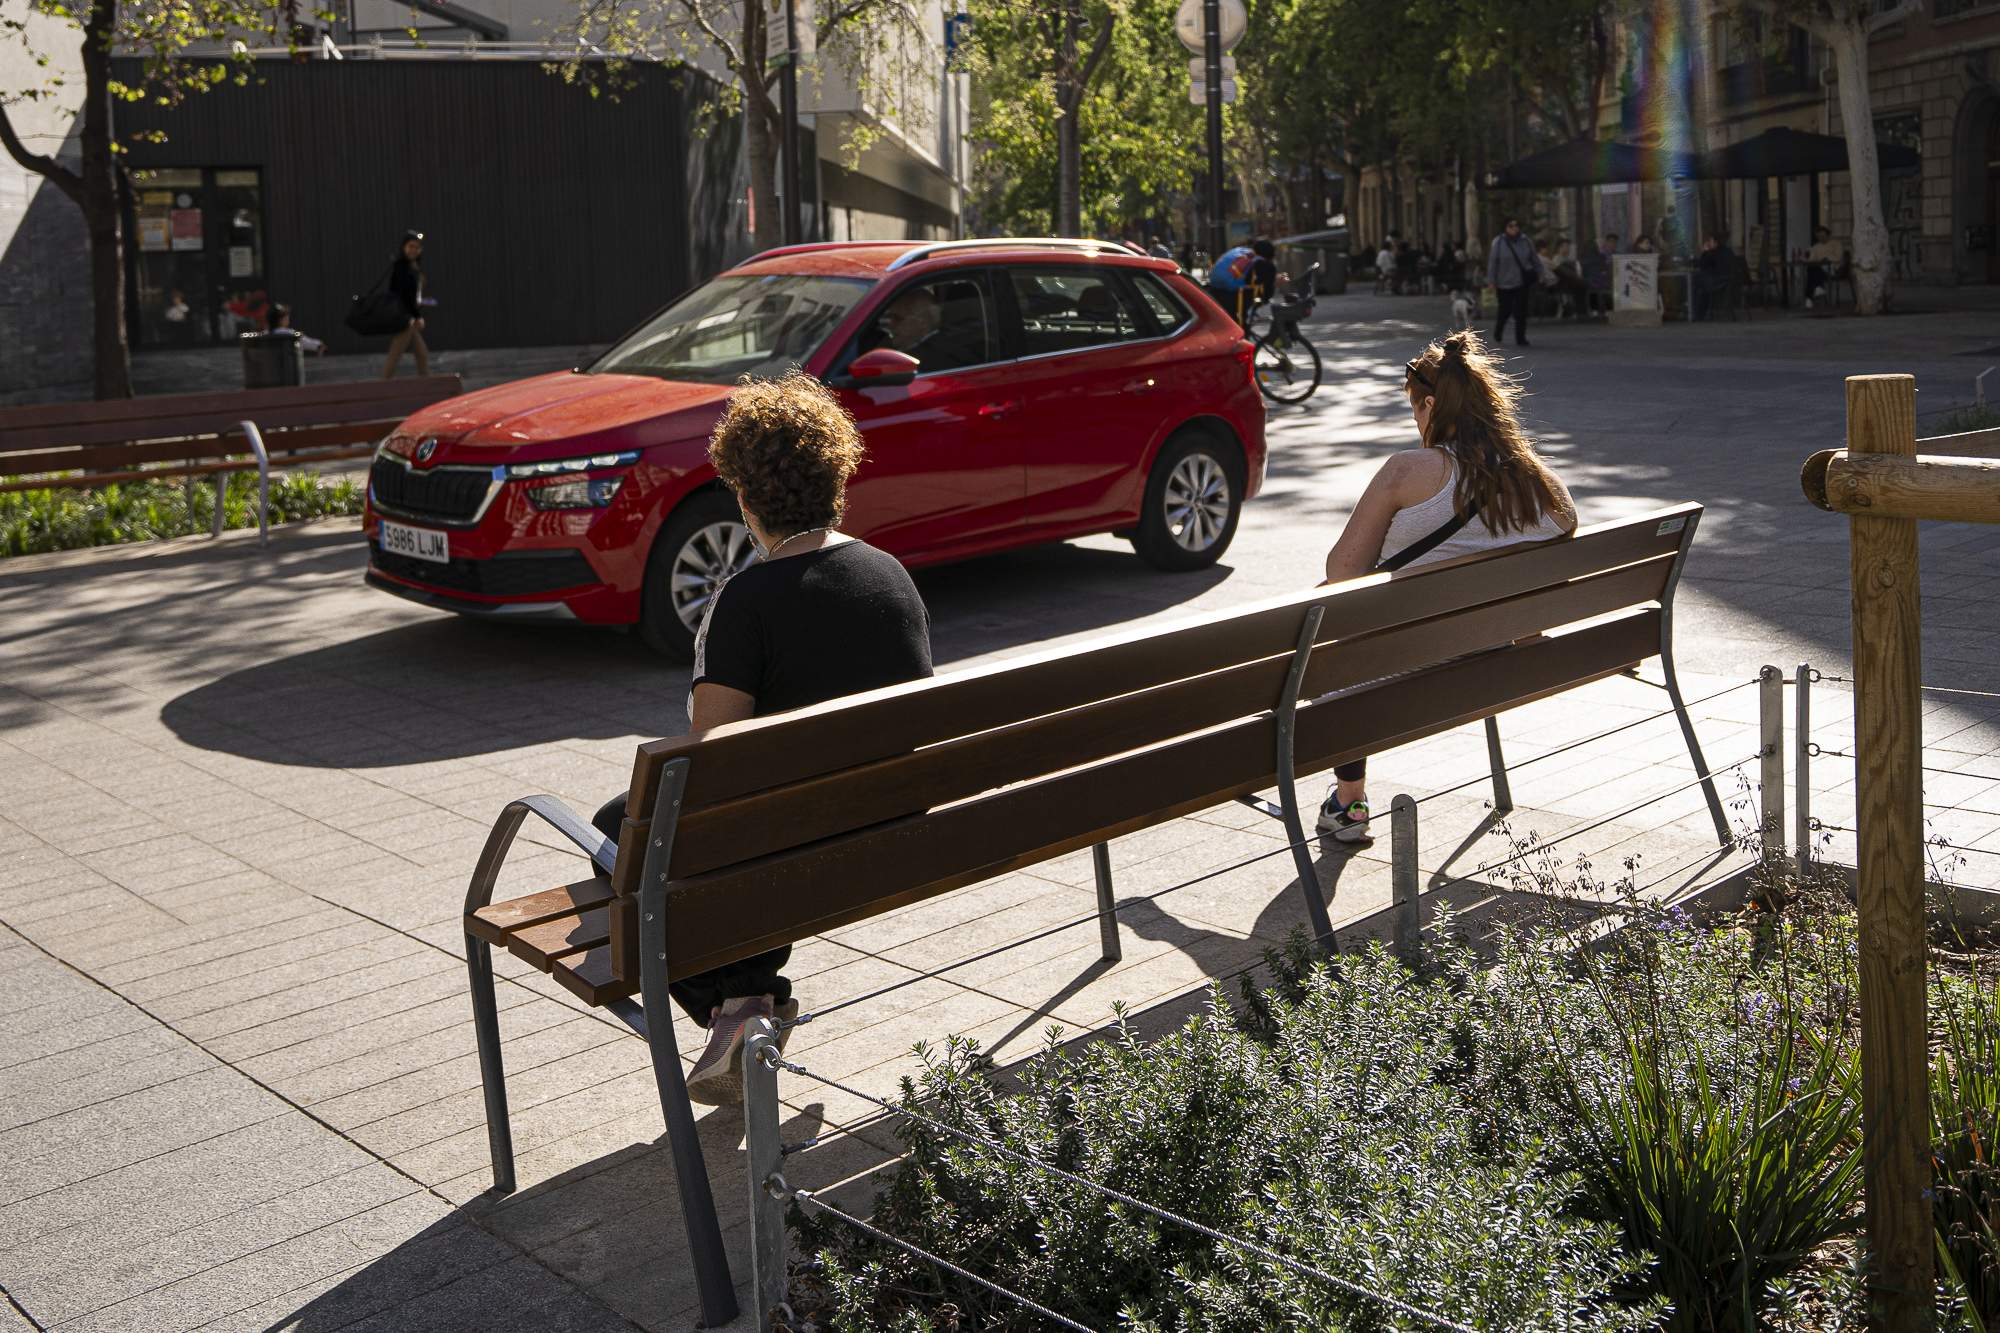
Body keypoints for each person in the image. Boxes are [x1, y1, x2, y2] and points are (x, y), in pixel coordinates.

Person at [589, 369, 933, 1104]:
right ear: (837, 475)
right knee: (726, 820)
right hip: (890, 833)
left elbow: (710, 770)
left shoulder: (743, 603)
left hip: (787, 851)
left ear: (744, 495)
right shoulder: (892, 576)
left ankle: (744, 1005)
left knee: (620, 831)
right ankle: (747, 1004)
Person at [1312, 331, 1578, 842]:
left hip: (1400, 662)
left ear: (1432, 404)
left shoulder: (1407, 471)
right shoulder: (1546, 485)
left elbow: (1343, 574)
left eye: (1415, 410)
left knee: (1326, 636)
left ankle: (1349, 803)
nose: (1416, 423)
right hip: (1495, 662)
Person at [1486, 217, 1543, 348]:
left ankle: (1521, 337)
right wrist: (1491, 281)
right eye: (1511, 226)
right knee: (1504, 310)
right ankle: (1498, 331)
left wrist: (1540, 272)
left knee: (1521, 311)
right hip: (1503, 282)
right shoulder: (1499, 242)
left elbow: (1534, 258)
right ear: (1506, 228)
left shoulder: (1525, 241)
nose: (1514, 228)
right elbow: (1493, 263)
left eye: (1516, 225)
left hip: (1521, 282)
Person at [382, 229, 430, 378]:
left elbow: (414, 295)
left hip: (408, 318)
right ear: (404, 247)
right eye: (410, 246)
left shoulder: (413, 268)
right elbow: (405, 295)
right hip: (403, 318)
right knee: (395, 355)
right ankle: (382, 386)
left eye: (417, 247)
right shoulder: (401, 267)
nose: (413, 250)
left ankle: (425, 384)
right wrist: (417, 316)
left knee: (422, 354)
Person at [1207, 237, 1277, 327]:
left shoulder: (1240, 251)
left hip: (1215, 287)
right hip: (1233, 292)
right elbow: (1265, 288)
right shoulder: (1261, 262)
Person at [1693, 231, 1735, 321]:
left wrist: (1705, 251)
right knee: (1701, 287)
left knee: (1697, 284)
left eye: (1710, 241)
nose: (1708, 243)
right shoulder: (1729, 251)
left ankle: (1697, 315)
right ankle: (1700, 314)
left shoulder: (1714, 252)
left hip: (1718, 282)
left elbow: (1702, 265)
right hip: (1729, 282)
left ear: (1716, 243)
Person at [1804, 226, 1842, 308]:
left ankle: (1809, 298)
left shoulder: (1836, 244)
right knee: (1811, 268)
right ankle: (1818, 288)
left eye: (1823, 236)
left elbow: (1839, 257)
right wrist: (1806, 258)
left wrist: (1827, 258)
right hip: (1819, 268)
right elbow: (1812, 259)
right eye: (1819, 236)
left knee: (1813, 271)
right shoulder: (1816, 247)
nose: (1821, 238)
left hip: (1832, 268)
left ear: (1828, 235)